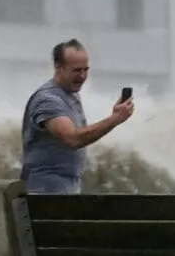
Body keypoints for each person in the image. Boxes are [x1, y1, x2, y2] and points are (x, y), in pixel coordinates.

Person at [20, 38, 134, 194]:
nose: (82, 76)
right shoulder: (47, 100)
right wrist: (114, 120)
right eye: (76, 70)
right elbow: (72, 139)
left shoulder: (72, 95)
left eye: (85, 70)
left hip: (66, 191)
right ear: (58, 67)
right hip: (43, 194)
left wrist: (113, 116)